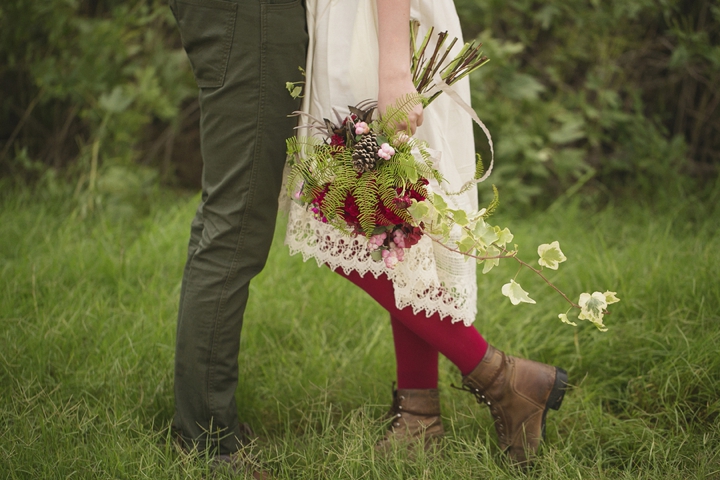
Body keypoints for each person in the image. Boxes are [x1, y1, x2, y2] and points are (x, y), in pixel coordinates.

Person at [285, 0, 567, 464]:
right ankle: (419, 416)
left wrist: (394, 67)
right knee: (399, 230)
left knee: (360, 216)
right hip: (358, 28)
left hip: (375, 33)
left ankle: (503, 378)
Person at [168, 0, 308, 465]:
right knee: (235, 222)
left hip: (245, 16)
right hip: (251, 15)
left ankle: (200, 416)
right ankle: (207, 437)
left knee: (225, 216)